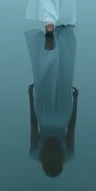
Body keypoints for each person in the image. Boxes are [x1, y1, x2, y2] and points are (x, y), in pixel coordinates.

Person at [25, 26, 78, 178]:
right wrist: (30, 96)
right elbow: (33, 125)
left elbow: (72, 127)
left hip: (63, 115)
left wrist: (76, 100)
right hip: (44, 114)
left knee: (64, 74)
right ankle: (49, 41)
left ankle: (62, 38)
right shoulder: (36, 154)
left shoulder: (68, 156)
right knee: (45, 76)